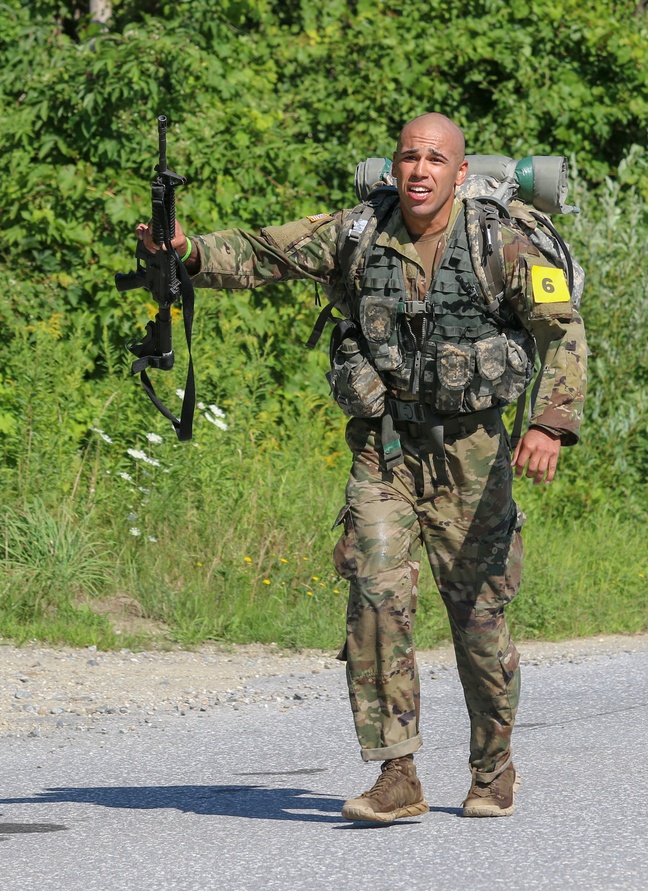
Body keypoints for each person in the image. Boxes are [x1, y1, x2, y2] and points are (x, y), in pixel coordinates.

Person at [135, 113, 586, 822]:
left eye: (437, 159)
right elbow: (264, 252)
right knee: (375, 592)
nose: (420, 170)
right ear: (393, 167)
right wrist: (188, 252)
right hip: (388, 446)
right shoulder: (359, 232)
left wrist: (551, 423)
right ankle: (396, 771)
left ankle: (494, 766)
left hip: (473, 453)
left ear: (460, 174)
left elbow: (564, 329)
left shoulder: (503, 240)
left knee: (480, 617)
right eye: (409, 156)